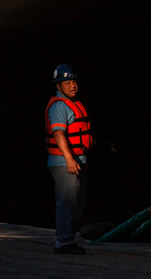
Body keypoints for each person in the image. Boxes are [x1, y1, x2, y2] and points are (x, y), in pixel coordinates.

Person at [45, 64, 93, 255]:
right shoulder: (59, 106)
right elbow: (59, 134)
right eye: (67, 82)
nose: (72, 85)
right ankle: (63, 241)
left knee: (77, 202)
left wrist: (81, 158)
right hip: (64, 162)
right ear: (59, 86)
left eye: (73, 81)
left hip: (77, 160)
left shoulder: (74, 104)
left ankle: (68, 238)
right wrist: (69, 159)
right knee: (67, 202)